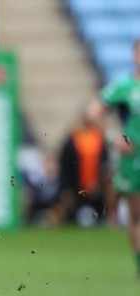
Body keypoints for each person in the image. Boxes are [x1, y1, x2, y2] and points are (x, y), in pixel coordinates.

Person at [88, 38, 140, 280]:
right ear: (134, 55)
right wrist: (113, 138)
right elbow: (94, 111)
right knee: (137, 213)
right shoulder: (124, 87)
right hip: (134, 159)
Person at [50, 107, 115, 227]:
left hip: (96, 187)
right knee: (60, 203)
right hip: (75, 187)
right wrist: (67, 188)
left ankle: (112, 217)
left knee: (110, 182)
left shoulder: (99, 139)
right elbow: (65, 166)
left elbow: (104, 164)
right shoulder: (73, 139)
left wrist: (96, 183)